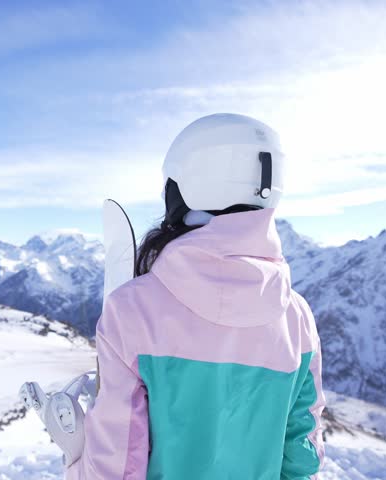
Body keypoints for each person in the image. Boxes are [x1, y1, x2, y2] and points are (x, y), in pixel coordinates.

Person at [66, 113, 325, 479]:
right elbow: (301, 453)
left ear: (189, 186)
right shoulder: (297, 317)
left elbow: (117, 467)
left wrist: (75, 460)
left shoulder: (132, 310)